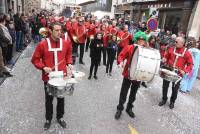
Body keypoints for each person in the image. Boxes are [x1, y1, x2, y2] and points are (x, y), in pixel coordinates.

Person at [31, 22, 72, 130]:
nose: (60, 32)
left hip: (62, 76)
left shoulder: (66, 43)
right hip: (49, 77)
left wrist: (69, 63)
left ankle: (60, 117)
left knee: (61, 98)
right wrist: (43, 67)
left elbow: (68, 54)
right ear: (51, 31)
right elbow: (35, 59)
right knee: (49, 99)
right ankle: (48, 118)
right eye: (57, 30)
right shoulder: (42, 44)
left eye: (61, 30)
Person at [115, 31, 148, 120]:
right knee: (123, 93)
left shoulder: (146, 50)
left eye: (143, 40)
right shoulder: (129, 47)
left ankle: (129, 108)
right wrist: (120, 61)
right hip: (128, 74)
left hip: (138, 76)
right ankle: (120, 108)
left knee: (133, 94)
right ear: (136, 40)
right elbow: (121, 56)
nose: (142, 41)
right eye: (140, 40)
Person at [158, 36, 193, 109]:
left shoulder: (187, 53)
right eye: (175, 41)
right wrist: (164, 58)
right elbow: (166, 56)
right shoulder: (171, 49)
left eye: (176, 42)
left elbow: (190, 64)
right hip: (168, 70)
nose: (175, 43)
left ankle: (172, 101)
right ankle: (164, 99)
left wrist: (185, 71)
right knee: (165, 86)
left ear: (182, 43)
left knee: (175, 89)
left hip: (178, 73)